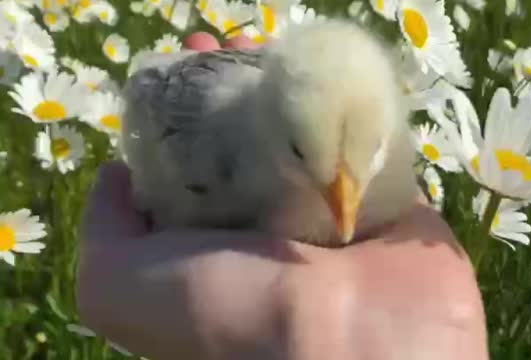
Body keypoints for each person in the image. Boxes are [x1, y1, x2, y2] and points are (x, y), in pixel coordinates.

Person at [76, 35, 488, 360]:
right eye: (301, 155)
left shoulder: (374, 139)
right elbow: (149, 89)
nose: (346, 206)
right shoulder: (225, 154)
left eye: (376, 149)